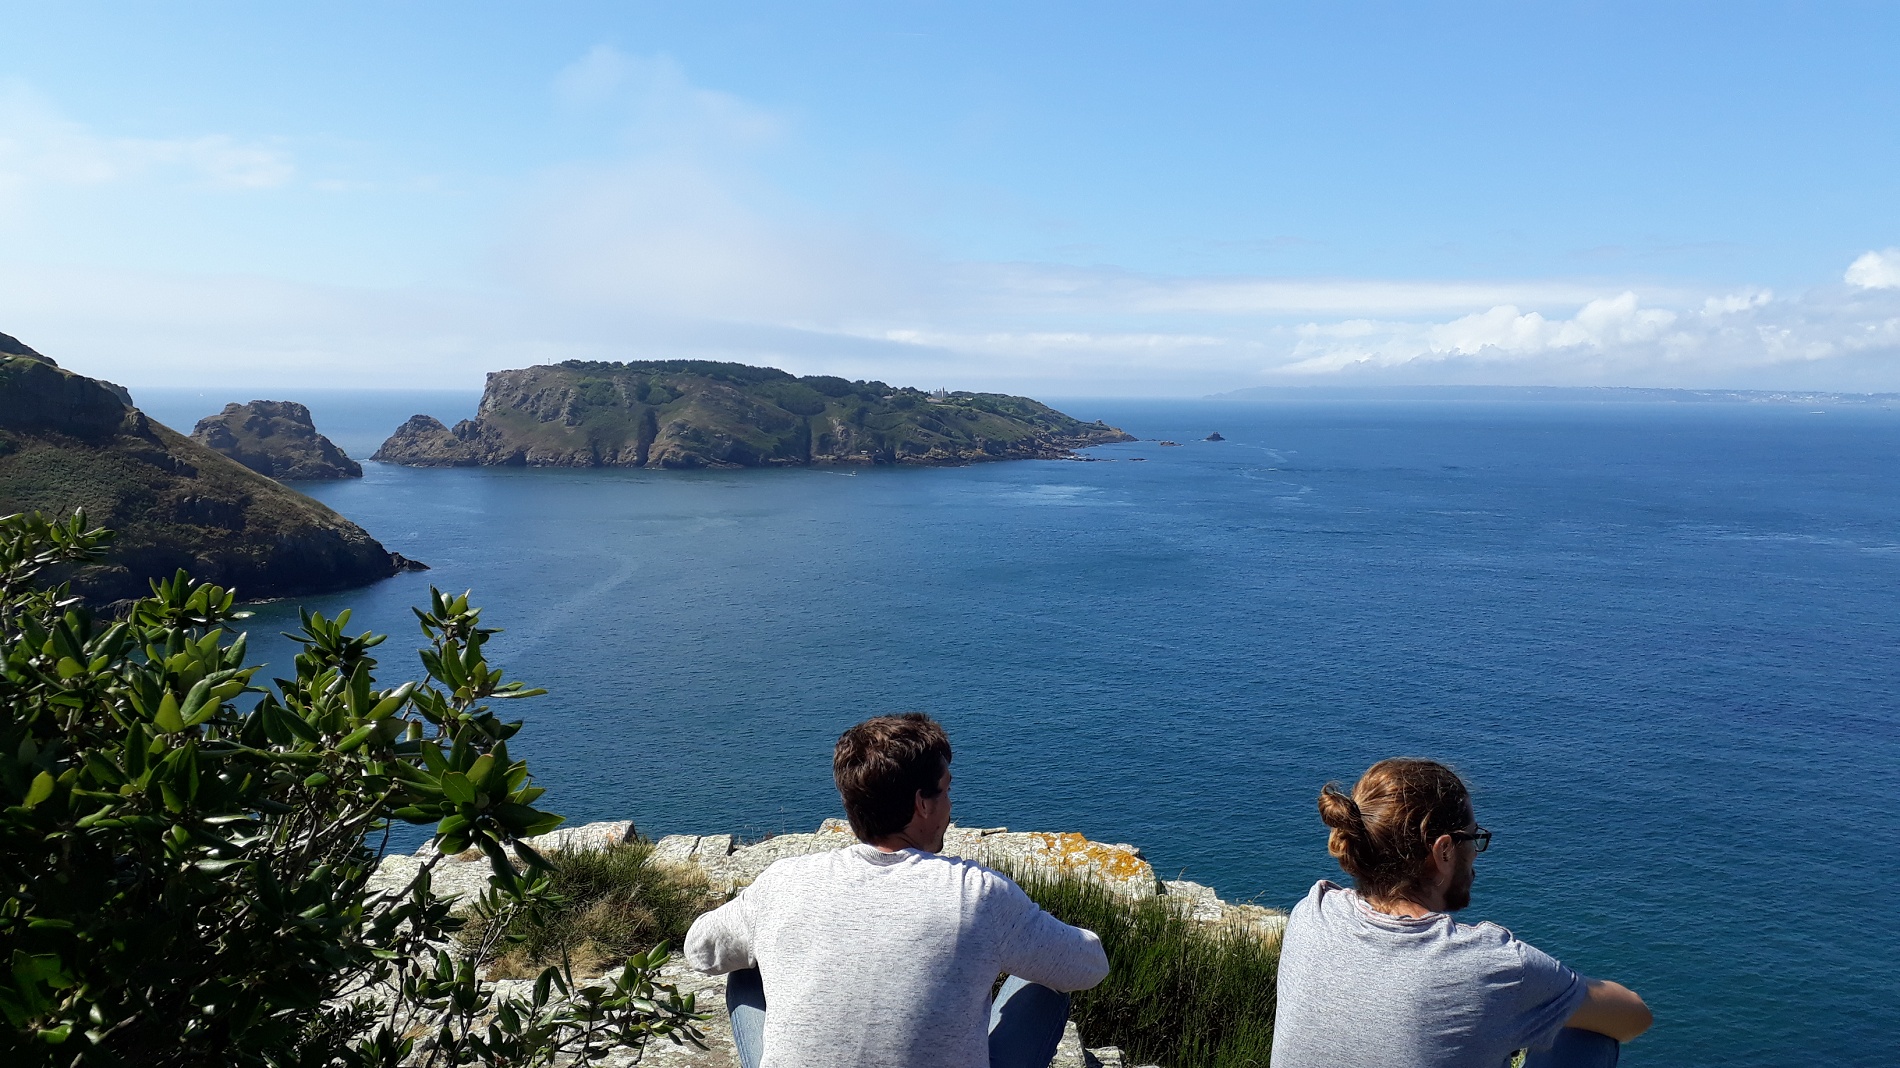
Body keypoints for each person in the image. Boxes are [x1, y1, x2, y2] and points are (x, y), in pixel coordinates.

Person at [684, 713, 1110, 1068]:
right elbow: (1089, 967)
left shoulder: (783, 881)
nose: (949, 803)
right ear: (922, 804)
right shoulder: (976, 894)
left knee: (744, 965)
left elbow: (700, 950)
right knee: (1044, 984)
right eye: (945, 790)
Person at [1272, 758, 1653, 1068]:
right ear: (1443, 852)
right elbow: (1635, 1015)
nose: (1476, 854)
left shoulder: (1313, 911)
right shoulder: (1490, 964)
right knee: (1588, 1036)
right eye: (1473, 837)